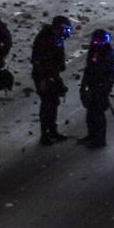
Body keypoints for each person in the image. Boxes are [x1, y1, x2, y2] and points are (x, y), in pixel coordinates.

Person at [28, 15, 72, 144]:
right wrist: (43, 79)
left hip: (53, 74)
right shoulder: (44, 39)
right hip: (43, 76)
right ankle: (44, 134)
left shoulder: (56, 38)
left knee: (54, 102)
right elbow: (37, 60)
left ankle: (53, 130)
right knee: (47, 104)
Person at [78, 29, 114, 149]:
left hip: (101, 86)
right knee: (91, 112)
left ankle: (100, 139)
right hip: (92, 84)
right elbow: (89, 68)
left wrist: (104, 88)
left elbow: (111, 74)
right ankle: (92, 135)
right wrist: (84, 83)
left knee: (98, 113)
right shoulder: (94, 50)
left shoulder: (108, 53)